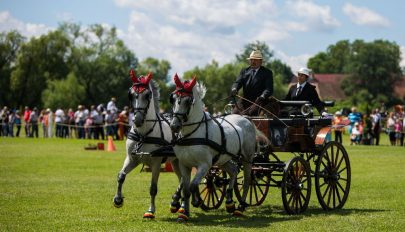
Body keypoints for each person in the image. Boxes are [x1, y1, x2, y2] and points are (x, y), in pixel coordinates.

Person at [230, 50, 273, 115]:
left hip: (260, 101)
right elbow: (237, 82)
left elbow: (269, 89)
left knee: (250, 113)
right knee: (234, 114)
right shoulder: (244, 71)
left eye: (255, 60)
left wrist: (263, 96)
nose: (253, 61)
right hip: (245, 100)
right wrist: (234, 89)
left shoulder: (267, 73)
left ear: (260, 61)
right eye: (251, 60)